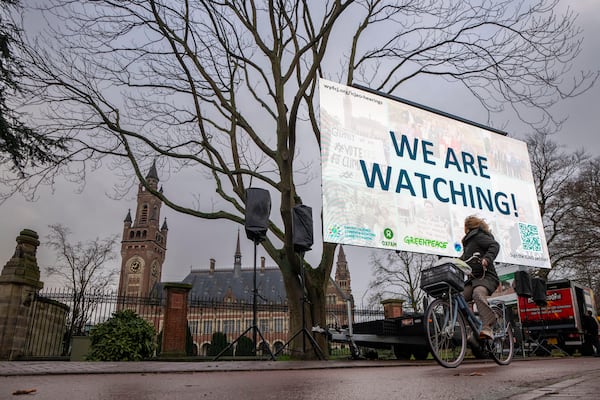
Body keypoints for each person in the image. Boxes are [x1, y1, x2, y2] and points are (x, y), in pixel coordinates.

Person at [460, 215, 500, 339]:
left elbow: (494, 245)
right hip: (473, 280)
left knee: (478, 293)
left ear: (468, 227)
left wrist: (487, 259)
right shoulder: (468, 242)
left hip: (487, 277)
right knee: (458, 297)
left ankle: (488, 326)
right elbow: (464, 259)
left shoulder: (478, 236)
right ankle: (469, 328)